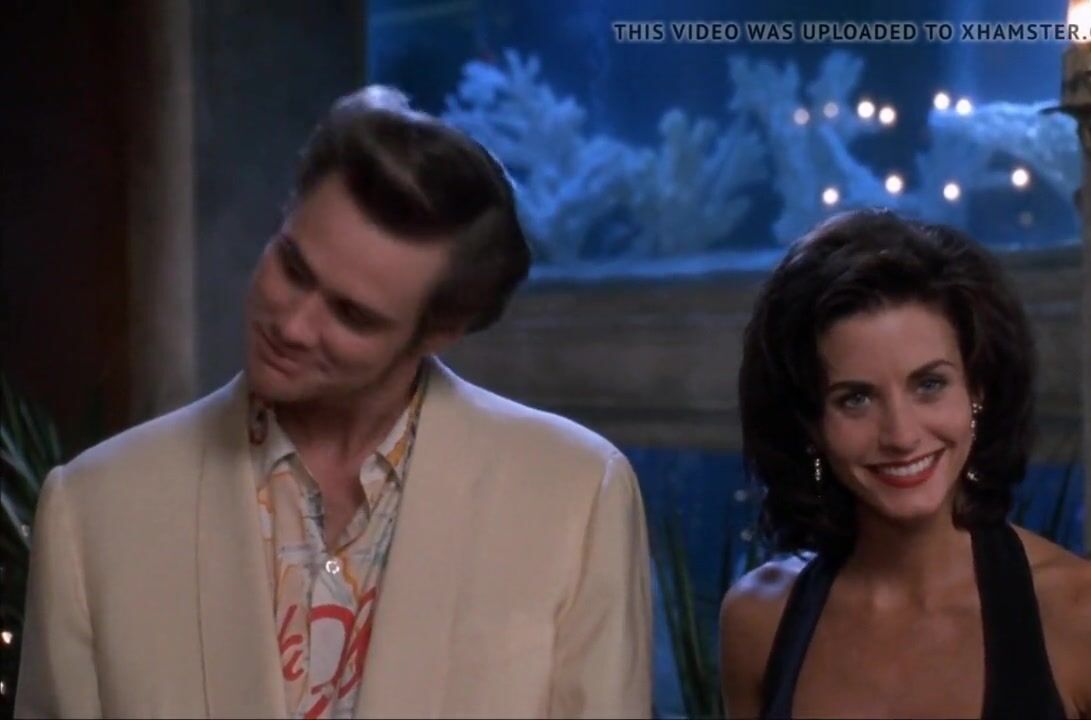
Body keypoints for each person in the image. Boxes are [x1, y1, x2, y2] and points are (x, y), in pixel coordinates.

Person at [16, 86, 651, 719]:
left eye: (351, 315)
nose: (293, 325)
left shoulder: (574, 496)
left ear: (438, 332)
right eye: (293, 268)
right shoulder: (95, 509)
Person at [721, 210, 1091, 719]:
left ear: (977, 391)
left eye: (929, 385)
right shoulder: (759, 621)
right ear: (810, 424)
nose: (901, 436)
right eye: (855, 399)